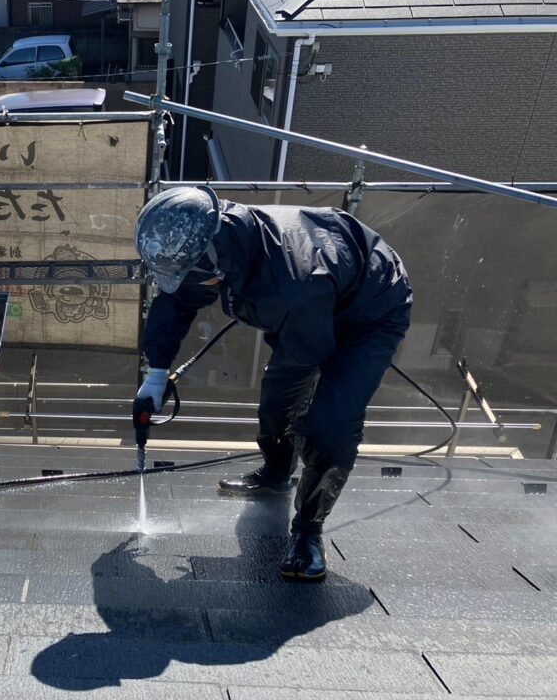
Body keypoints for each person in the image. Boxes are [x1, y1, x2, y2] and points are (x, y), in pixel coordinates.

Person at [134, 186, 412, 581]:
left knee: (331, 424)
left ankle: (309, 531)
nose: (188, 282)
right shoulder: (206, 240)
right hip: (317, 296)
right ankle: (277, 474)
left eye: (193, 274)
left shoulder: (290, 281)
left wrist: (312, 419)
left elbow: (310, 354)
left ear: (215, 258)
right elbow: (177, 299)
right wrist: (157, 373)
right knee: (276, 405)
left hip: (371, 310)